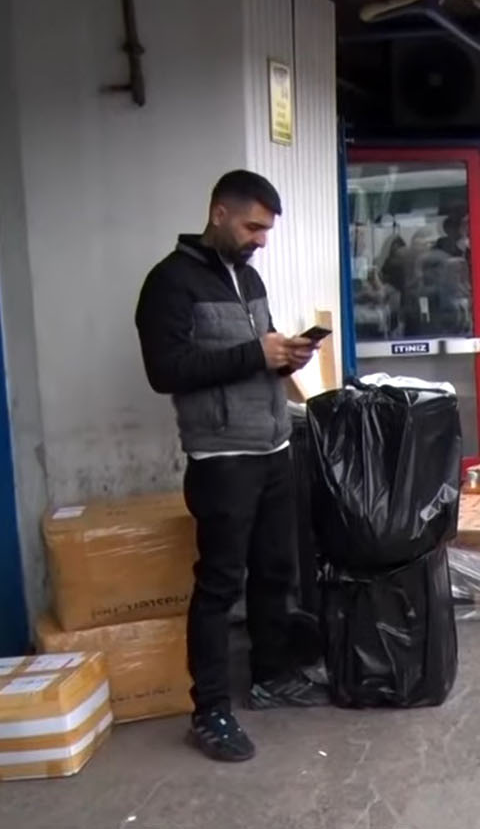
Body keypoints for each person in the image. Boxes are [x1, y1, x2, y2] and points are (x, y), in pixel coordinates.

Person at [133, 170, 329, 763]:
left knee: (275, 570)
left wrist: (286, 353)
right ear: (219, 213)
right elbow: (165, 371)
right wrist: (255, 353)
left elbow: (258, 351)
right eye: (252, 227)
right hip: (220, 458)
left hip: (272, 445)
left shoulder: (247, 275)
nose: (260, 240)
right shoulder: (169, 284)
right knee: (219, 583)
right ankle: (210, 710)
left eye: (265, 230)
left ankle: (271, 676)